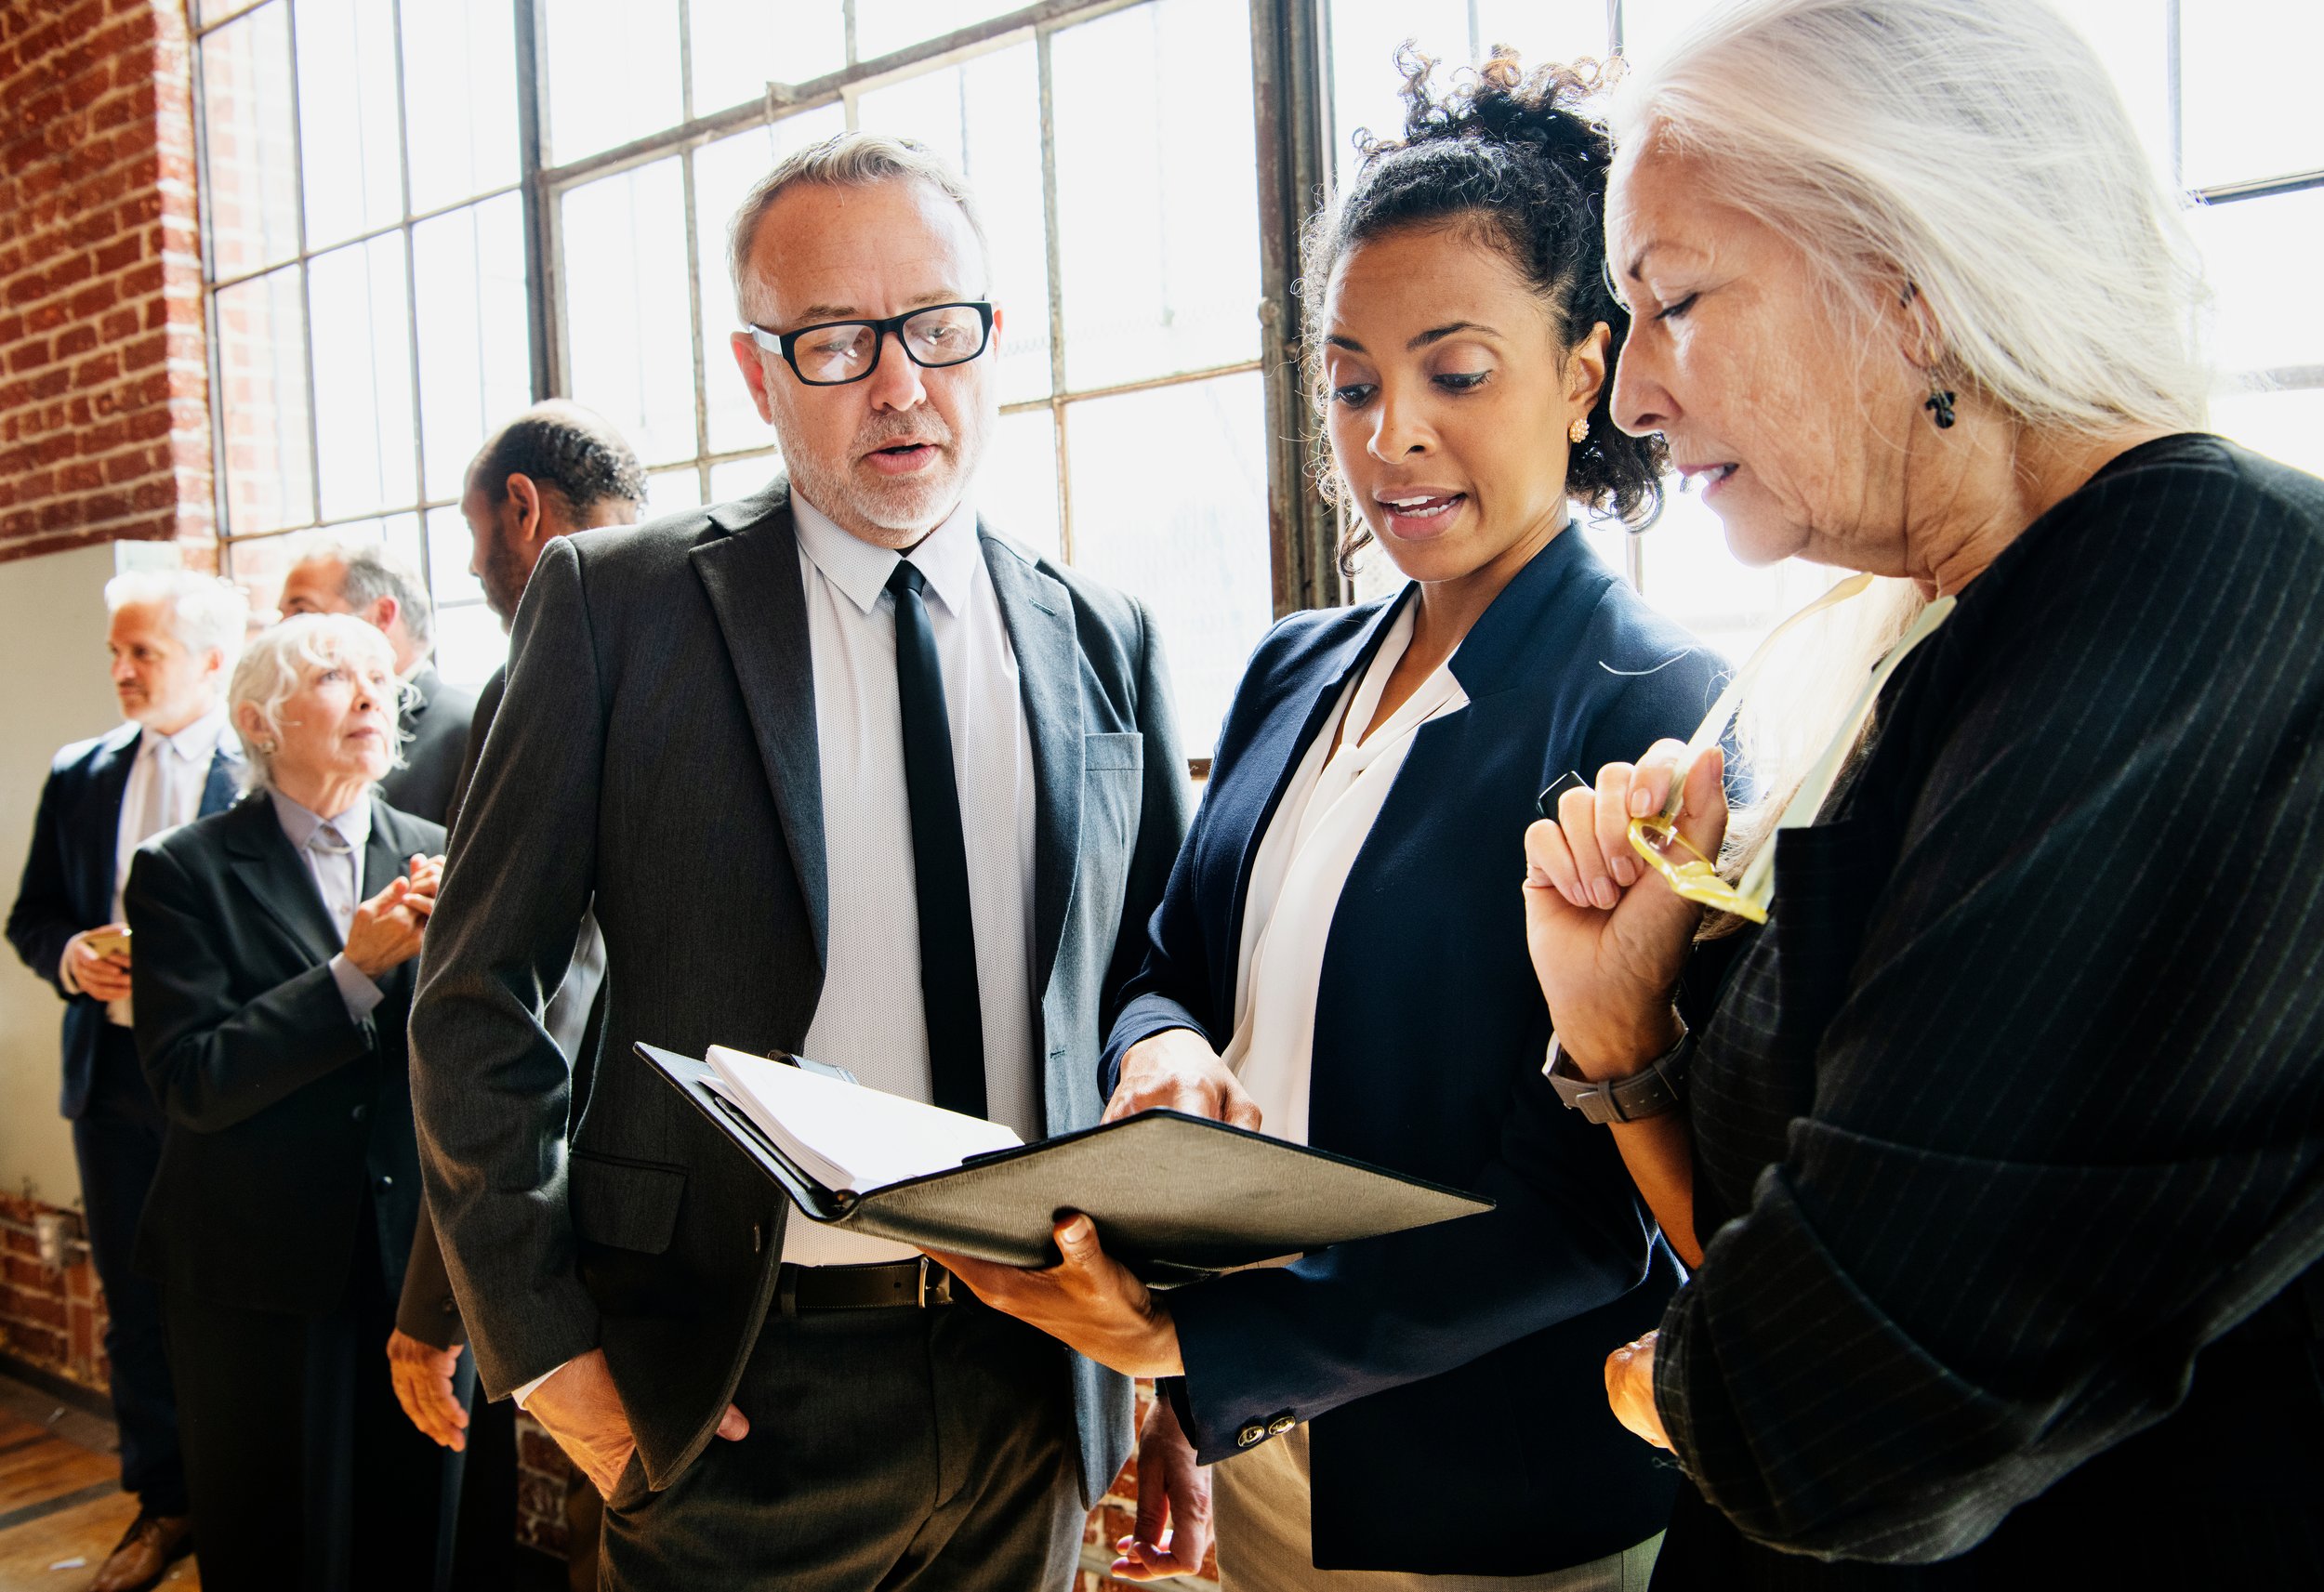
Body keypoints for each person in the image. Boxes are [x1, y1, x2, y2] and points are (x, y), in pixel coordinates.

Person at [1517, 0, 2324, 1584]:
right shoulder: (1922, 638)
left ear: (1911, 285)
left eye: (1675, 301)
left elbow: (1821, 1405)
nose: (1632, 401)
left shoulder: (2204, 590)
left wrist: (1679, 1379)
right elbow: (1771, 1287)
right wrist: (1625, 1044)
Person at [931, 55, 1723, 1591]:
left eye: (1456, 372)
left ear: (1583, 369)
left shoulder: (1649, 705)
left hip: (1487, 1494)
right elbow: (1170, 958)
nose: (1391, 434)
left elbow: (1587, 1216)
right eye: (1353, 382)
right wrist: (1157, 1049)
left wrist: (1200, 1338)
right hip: (1273, 1448)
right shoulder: (1300, 660)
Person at [408, 131, 1190, 1592]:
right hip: (735, 1379)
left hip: (1040, 1375)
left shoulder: (1104, 633)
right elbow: (475, 996)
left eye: (936, 329)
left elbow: (1151, 996)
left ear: (992, 340)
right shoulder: (611, 609)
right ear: (757, 371)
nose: (899, 383)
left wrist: (1164, 1371)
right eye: (834, 341)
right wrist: (551, 1354)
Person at [124, 613, 449, 1589]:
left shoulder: (445, 851)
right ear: (260, 721)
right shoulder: (182, 872)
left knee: (421, 1531)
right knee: (275, 1538)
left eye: (377, 676)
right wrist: (348, 976)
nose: (369, 693)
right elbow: (190, 1078)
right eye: (332, 676)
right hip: (253, 1270)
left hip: (416, 1260)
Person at [385, 401, 643, 1592]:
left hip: (617, 1223)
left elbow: (531, 1001)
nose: (474, 562)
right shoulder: (743, 618)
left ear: (521, 508)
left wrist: (439, 1299)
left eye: (471, 527)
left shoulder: (548, 664)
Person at [6, 570, 245, 1592]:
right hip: (109, 1082)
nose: (119, 670)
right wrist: (73, 961)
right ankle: (165, 1504)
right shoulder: (81, 772)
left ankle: (249, 1506)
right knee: (134, 1303)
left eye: (140, 652)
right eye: (116, 651)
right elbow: (33, 915)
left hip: (233, 1088)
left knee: (234, 1299)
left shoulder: (264, 772)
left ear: (211, 662)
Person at [280, 539, 475, 823]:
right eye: (282, 616)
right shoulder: (295, 725)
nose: (282, 632)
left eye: (302, 613)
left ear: (381, 616)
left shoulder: (468, 730)